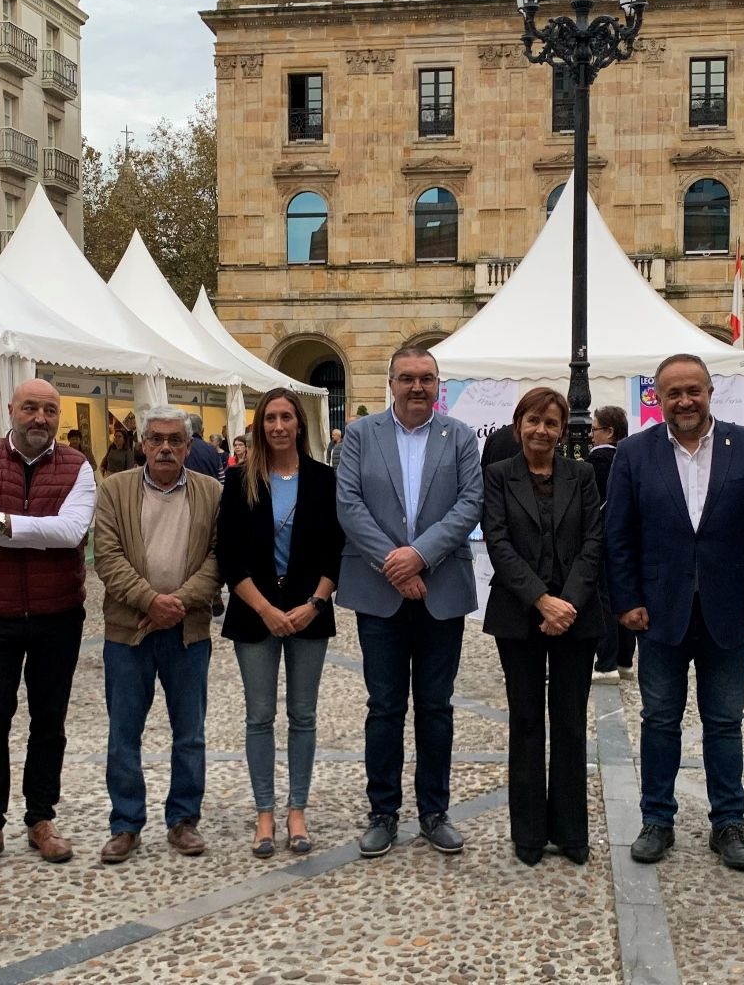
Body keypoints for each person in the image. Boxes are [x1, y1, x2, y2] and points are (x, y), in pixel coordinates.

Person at [607, 356, 744, 872]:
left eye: (694, 391)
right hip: (659, 612)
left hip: (731, 611)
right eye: (673, 394)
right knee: (659, 720)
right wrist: (626, 600)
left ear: (711, 392)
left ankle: (728, 823)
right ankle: (656, 820)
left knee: (724, 722)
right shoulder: (633, 453)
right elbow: (618, 536)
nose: (684, 401)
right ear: (658, 399)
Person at [336, 345, 484, 858]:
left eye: (426, 379)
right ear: (391, 383)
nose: (417, 387)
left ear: (437, 384)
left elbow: (471, 503)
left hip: (441, 590)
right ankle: (382, 812)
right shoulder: (359, 435)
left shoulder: (460, 436)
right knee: (384, 707)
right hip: (379, 595)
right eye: (407, 378)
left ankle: (434, 812)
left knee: (436, 707)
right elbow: (349, 505)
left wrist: (419, 556)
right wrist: (395, 565)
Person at [0, 378, 95, 872]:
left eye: (50, 410)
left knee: (49, 722)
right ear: (10, 409)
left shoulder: (77, 466)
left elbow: (72, 532)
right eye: (31, 408)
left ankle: (41, 817)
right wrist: (18, 528)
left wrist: (3, 523)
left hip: (57, 614)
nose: (40, 418)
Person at [93, 406, 221, 862]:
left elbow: (217, 558)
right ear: (142, 444)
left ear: (189, 447)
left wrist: (178, 603)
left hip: (188, 631)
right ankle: (126, 824)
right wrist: (150, 601)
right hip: (128, 631)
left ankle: (184, 819)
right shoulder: (113, 490)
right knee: (124, 731)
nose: (165, 447)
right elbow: (106, 556)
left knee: (190, 731)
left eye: (175, 440)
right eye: (156, 439)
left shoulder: (211, 492)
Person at [481, 388, 603, 867]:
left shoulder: (584, 475)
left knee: (571, 724)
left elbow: (594, 541)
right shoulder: (498, 477)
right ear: (518, 424)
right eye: (533, 420)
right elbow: (498, 542)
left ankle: (572, 831)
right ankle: (528, 832)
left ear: (562, 430)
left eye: (551, 423)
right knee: (526, 721)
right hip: (519, 614)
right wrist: (541, 600)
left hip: (576, 614)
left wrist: (566, 602)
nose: (541, 431)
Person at [217, 389, 342, 857]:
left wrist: (315, 602)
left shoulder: (324, 480)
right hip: (255, 613)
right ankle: (265, 811)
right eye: (270, 417)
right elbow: (228, 556)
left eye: (286, 417)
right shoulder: (239, 481)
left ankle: (298, 809)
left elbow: (336, 549)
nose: (278, 426)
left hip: (309, 609)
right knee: (260, 716)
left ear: (299, 424)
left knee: (304, 716)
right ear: (259, 425)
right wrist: (265, 608)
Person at [588, 406, 634, 683]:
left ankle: (606, 663)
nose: (591, 434)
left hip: (604, 537)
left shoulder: (597, 464)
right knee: (625, 595)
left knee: (603, 599)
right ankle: (625, 660)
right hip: (628, 538)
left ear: (609, 432)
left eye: (594, 429)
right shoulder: (630, 460)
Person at [183, 412, 225, 481]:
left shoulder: (180, 448)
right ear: (202, 430)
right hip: (210, 490)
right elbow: (221, 479)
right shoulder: (213, 450)